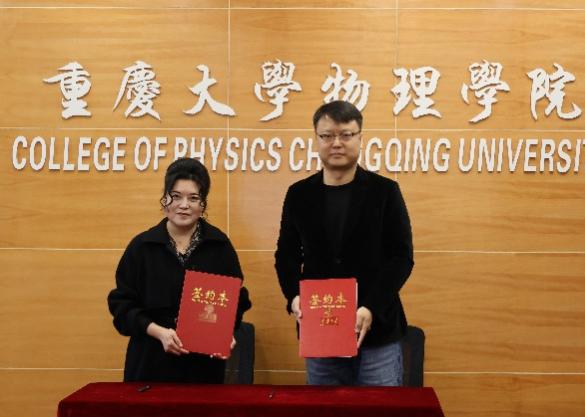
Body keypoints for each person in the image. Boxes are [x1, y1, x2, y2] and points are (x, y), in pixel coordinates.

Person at [275, 101, 414, 386]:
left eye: (346, 135)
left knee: (380, 407)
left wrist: (370, 307)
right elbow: (286, 255)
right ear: (316, 139)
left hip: (377, 330)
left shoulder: (385, 191)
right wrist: (294, 297)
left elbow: (401, 257)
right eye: (327, 135)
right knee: (325, 407)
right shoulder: (299, 194)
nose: (336, 143)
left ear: (360, 138)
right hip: (321, 328)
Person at [108, 157, 251, 383]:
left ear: (203, 204)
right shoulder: (142, 246)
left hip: (203, 366)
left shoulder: (219, 245)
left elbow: (237, 299)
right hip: (150, 362)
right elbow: (122, 305)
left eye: (193, 198)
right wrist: (159, 332)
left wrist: (226, 332)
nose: (184, 205)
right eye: (176, 196)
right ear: (165, 199)